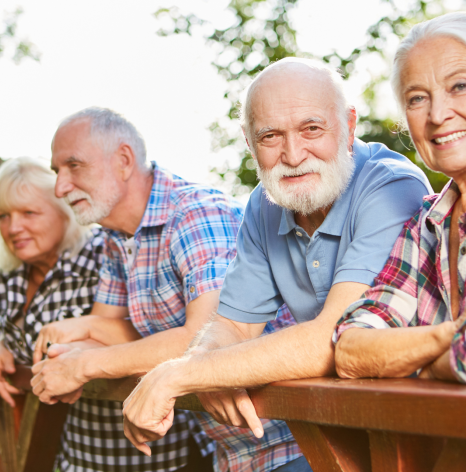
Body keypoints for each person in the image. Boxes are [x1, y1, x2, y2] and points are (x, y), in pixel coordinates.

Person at [119, 57, 432, 469]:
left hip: (422, 436)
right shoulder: (264, 205)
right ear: (250, 144)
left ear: (349, 125)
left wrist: (180, 374)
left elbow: (335, 337)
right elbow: (230, 326)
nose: (293, 153)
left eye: (312, 129)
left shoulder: (392, 187)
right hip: (339, 433)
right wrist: (210, 368)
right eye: (270, 136)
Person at [29, 107, 306, 472]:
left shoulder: (195, 214)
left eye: (73, 166)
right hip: (234, 454)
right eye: (57, 172)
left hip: (297, 443)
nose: (61, 187)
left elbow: (208, 340)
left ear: (125, 160)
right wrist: (70, 351)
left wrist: (83, 366)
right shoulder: (117, 237)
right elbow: (114, 332)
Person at [333, 12, 466, 384]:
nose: (438, 115)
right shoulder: (428, 223)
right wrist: (450, 336)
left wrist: (420, 362)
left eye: (460, 86)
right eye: (418, 98)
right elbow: (351, 350)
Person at [0, 157, 112, 471]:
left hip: (121, 444)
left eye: (29, 212)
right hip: (58, 450)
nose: (13, 228)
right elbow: (20, 330)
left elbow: (133, 329)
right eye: (3, 215)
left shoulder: (102, 254)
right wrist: (1, 344)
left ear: (63, 211)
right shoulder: (9, 273)